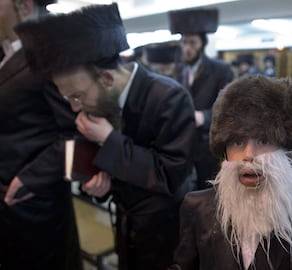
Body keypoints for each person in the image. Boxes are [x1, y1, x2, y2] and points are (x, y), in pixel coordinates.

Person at [16, 3, 196, 270]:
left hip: (167, 232)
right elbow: (111, 171)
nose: (75, 108)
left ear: (108, 79)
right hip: (125, 226)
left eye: (77, 96)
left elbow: (170, 176)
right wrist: (102, 185)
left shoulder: (170, 97)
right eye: (68, 99)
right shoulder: (98, 104)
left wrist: (110, 139)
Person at [169, 75, 292, 270]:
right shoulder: (197, 209)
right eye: (238, 142)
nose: (249, 155)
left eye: (263, 141)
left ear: (286, 151)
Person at [0, 0, 83, 269]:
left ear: (22, 6)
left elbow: (77, 133)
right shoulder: (6, 52)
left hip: (35, 206)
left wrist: (30, 180)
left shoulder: (49, 53)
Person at [168, 8, 234, 189]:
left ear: (202, 44)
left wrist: (203, 116)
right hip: (183, 143)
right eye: (184, 42)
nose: (187, 48)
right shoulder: (178, 70)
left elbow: (228, 108)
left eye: (192, 43)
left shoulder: (221, 70)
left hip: (208, 146)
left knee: (207, 192)